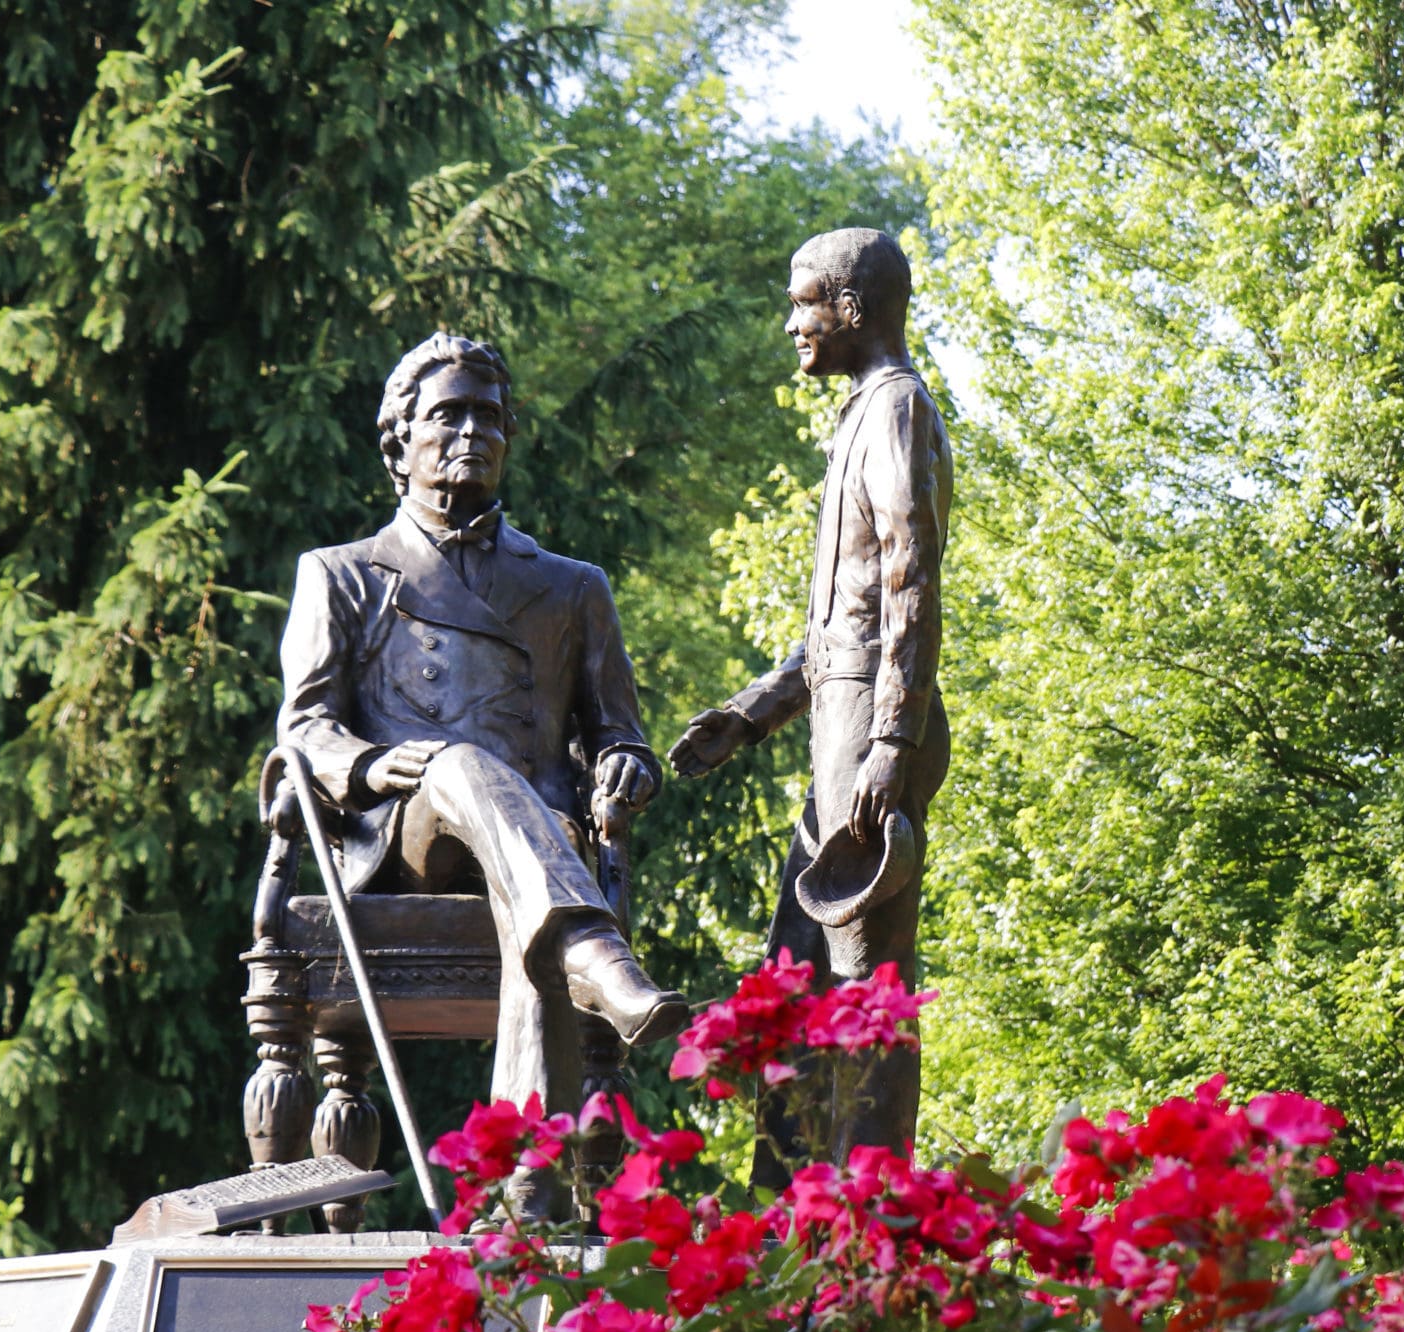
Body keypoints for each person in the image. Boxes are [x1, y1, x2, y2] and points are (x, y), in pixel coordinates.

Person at [278, 333, 688, 1110]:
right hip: (405, 835)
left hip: (540, 838)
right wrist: (369, 766)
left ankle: (527, 1187)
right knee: (459, 763)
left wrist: (628, 762)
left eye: (490, 418)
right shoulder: (341, 573)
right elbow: (302, 730)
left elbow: (617, 731)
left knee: (536, 882)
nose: (474, 433)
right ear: (400, 442)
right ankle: (600, 958)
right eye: (450, 415)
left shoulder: (573, 587)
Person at [671, 229, 950, 1169]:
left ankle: (866, 1221)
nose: (792, 324)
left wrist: (888, 744)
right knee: (800, 985)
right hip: (843, 721)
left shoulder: (898, 409)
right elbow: (846, 620)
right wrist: (752, 712)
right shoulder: (861, 416)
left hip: (872, 731)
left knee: (864, 990)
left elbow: (911, 586)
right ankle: (791, 1208)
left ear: (853, 309)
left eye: (804, 304)